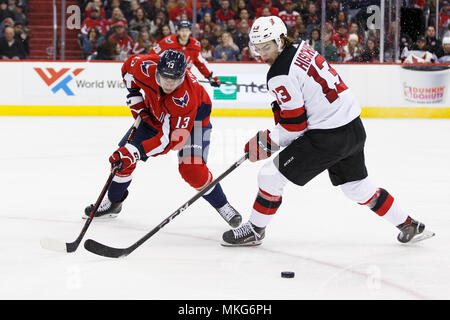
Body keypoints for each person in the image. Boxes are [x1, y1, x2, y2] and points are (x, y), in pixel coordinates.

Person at [221, 16, 434, 246]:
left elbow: (295, 126)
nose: (263, 53)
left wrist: (265, 142)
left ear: (281, 41)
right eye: (258, 47)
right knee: (357, 187)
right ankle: (409, 224)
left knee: (270, 176)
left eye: (267, 47)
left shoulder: (279, 73)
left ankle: (255, 230)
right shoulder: (300, 47)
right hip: (352, 127)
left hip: (328, 135)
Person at [84, 50, 242, 228]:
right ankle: (113, 202)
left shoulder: (185, 99)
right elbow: (128, 68)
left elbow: (170, 141)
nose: (168, 82)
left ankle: (223, 205)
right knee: (122, 159)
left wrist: (135, 152)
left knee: (192, 169)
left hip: (194, 119)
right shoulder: (145, 68)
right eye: (165, 77)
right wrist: (135, 97)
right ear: (157, 70)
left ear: (182, 76)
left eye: (174, 79)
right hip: (156, 113)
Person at [150, 20, 221, 87]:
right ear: (178, 31)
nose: (184, 33)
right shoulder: (168, 42)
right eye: (182, 30)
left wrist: (210, 77)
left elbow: (200, 63)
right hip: (164, 78)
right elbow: (152, 55)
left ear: (190, 31)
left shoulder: (195, 45)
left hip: (182, 79)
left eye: (187, 30)